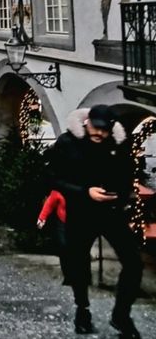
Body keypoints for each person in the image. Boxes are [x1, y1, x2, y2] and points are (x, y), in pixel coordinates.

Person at [49, 104, 143, 338]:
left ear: (111, 129)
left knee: (133, 263)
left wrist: (119, 194)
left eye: (103, 130)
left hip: (111, 212)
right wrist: (84, 191)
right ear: (86, 122)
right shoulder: (67, 143)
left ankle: (121, 315)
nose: (98, 133)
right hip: (81, 213)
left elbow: (127, 175)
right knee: (78, 265)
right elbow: (53, 178)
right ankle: (83, 310)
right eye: (95, 128)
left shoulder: (118, 145)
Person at [37, 189, 68, 283]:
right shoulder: (59, 188)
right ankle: (68, 275)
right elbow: (50, 203)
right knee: (63, 246)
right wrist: (42, 218)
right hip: (62, 221)